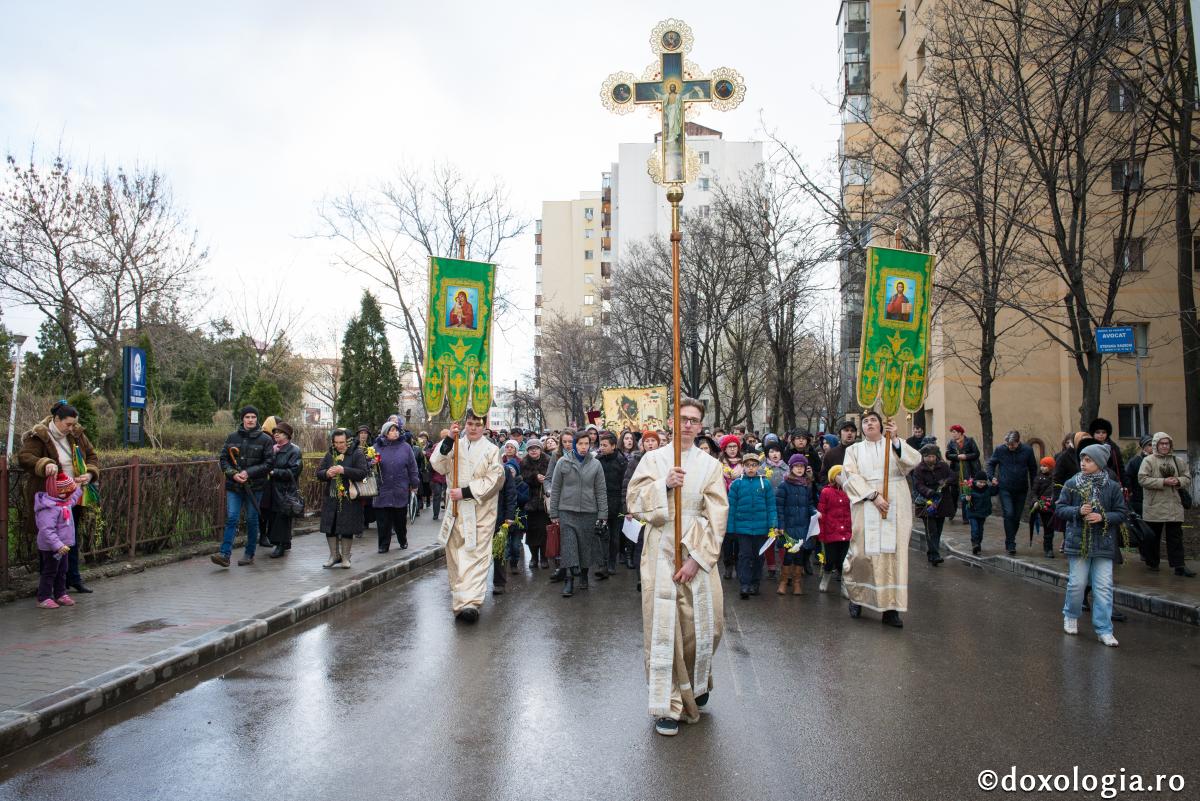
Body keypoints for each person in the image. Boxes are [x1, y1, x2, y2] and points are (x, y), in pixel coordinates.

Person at [627, 397, 729, 736]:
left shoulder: (710, 465)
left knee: (707, 624)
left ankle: (695, 684)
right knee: (664, 627)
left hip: (698, 548)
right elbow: (635, 503)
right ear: (672, 421)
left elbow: (718, 514)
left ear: (700, 426)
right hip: (660, 549)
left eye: (694, 420)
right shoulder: (653, 459)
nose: (687, 425)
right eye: (682, 418)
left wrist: (698, 559)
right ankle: (668, 703)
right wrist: (663, 485)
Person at [841, 410, 921, 628]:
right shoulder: (854, 450)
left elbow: (913, 461)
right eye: (865, 422)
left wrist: (895, 440)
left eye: (873, 420)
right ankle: (857, 597)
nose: (869, 424)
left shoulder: (893, 444)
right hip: (866, 502)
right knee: (863, 553)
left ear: (881, 424)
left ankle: (891, 608)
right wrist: (873, 495)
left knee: (893, 555)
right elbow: (849, 476)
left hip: (895, 503)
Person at [17, 400, 100, 594]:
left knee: (70, 538)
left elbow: (92, 456)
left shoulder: (76, 434)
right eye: (67, 424)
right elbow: (25, 457)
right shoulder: (39, 435)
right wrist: (45, 463)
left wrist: (89, 474)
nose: (71, 428)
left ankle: (73, 578)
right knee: (49, 541)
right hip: (49, 499)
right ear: (56, 419)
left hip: (73, 496)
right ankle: (49, 586)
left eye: (74, 424)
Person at [429, 414, 505, 622]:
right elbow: (438, 464)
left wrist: (467, 491)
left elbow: (496, 478)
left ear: (484, 427)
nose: (473, 429)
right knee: (455, 554)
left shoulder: (492, 450)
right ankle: (460, 598)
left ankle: (471, 603)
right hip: (456, 509)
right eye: (469, 424)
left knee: (476, 554)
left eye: (477, 425)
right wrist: (447, 441)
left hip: (480, 510)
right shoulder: (455, 443)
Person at [1057, 443, 1129, 646]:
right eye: (1082, 459)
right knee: (1077, 584)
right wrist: (1077, 512)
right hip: (1078, 542)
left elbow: (1122, 513)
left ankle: (1104, 629)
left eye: (1088, 460)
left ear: (1099, 463)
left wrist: (1103, 516)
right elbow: (1060, 508)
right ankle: (1071, 614)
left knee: (1104, 587)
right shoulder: (1072, 483)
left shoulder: (1112, 486)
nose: (1083, 463)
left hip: (1104, 544)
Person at [548, 429, 608, 597]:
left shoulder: (596, 464)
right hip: (567, 511)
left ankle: (583, 576)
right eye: (580, 444)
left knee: (585, 547)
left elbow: (601, 491)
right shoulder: (563, 462)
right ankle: (568, 580)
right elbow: (556, 488)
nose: (583, 447)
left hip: (589, 512)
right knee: (569, 546)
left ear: (590, 445)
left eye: (586, 444)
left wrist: (603, 515)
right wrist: (554, 513)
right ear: (574, 445)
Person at [213, 406, 273, 568]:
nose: (251, 420)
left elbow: (268, 463)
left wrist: (248, 473)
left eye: (253, 417)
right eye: (247, 417)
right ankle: (225, 554)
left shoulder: (265, 440)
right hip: (235, 486)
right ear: (242, 419)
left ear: (257, 419)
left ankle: (249, 553)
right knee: (232, 517)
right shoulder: (232, 437)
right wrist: (233, 474)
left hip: (255, 487)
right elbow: (223, 459)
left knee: (252, 519)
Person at [1138, 432, 1195, 577]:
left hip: (1174, 505)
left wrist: (1178, 481)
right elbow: (1143, 479)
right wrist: (1163, 482)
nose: (1164, 446)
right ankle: (1152, 563)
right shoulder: (1148, 461)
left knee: (1175, 537)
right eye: (1161, 443)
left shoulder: (1177, 461)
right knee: (1153, 537)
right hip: (1154, 505)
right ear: (1156, 445)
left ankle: (1179, 566)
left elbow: (1187, 477)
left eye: (1167, 443)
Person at [316, 428, 371, 569]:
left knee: (347, 527)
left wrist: (343, 470)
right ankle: (334, 556)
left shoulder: (357, 453)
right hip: (331, 496)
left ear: (348, 441)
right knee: (330, 526)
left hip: (350, 496)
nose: (339, 445)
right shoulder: (330, 454)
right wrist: (327, 473)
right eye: (336, 442)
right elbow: (319, 473)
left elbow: (363, 473)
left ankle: (346, 557)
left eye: (342, 442)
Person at [727, 450, 777, 599]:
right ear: (743, 466)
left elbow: (771, 506)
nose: (750, 468)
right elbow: (731, 507)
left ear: (758, 467)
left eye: (754, 465)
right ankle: (744, 584)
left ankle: (755, 583)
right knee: (744, 556)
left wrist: (773, 525)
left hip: (761, 529)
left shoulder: (765, 484)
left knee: (758, 556)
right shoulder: (737, 484)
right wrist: (730, 528)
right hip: (743, 529)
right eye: (748, 465)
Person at [34, 475, 83, 608]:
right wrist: (58, 545)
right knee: (50, 572)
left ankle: (60, 594)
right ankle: (43, 597)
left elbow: (73, 498)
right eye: (69, 493)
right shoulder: (49, 508)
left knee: (62, 570)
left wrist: (78, 486)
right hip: (51, 547)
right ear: (61, 493)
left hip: (63, 546)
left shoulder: (64, 502)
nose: (71, 496)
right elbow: (46, 530)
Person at [986, 430, 1038, 556]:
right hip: (1005, 487)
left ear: (1018, 442)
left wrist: (1035, 489)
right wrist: (991, 477)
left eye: (1012, 445)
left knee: (1016, 517)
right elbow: (991, 464)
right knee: (1009, 513)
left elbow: (1033, 470)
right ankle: (1011, 543)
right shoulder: (1000, 450)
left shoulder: (1027, 451)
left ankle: (1009, 539)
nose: (1010, 447)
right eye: (1008, 444)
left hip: (1021, 488)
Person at [374, 420, 420, 553]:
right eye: (391, 430)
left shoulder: (405, 447)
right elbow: (369, 465)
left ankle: (402, 540)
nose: (395, 433)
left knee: (400, 519)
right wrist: (371, 463)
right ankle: (383, 545)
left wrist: (414, 483)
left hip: (400, 488)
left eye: (396, 430)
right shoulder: (377, 447)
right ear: (385, 433)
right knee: (383, 520)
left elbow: (412, 467)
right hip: (382, 489)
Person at [775, 454, 815, 595]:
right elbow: (779, 507)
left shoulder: (807, 485)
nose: (799, 469)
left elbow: (809, 504)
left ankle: (797, 583)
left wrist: (815, 512)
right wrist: (780, 525)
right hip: (789, 526)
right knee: (789, 554)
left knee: (800, 554)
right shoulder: (784, 485)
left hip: (803, 525)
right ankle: (784, 581)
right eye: (797, 466)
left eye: (802, 466)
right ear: (791, 468)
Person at [623, 430, 661, 573]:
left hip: (658, 507)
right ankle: (641, 577)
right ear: (642, 444)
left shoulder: (664, 460)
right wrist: (628, 508)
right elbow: (627, 485)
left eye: (653, 441)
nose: (650, 444)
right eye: (647, 441)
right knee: (641, 542)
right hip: (640, 508)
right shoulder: (635, 461)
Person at [912, 444, 957, 566]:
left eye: (933, 456)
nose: (931, 459)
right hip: (927, 503)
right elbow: (918, 485)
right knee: (931, 530)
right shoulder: (918, 469)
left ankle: (932, 553)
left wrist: (946, 482)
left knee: (938, 529)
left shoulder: (943, 466)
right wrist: (929, 491)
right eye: (928, 457)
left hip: (942, 503)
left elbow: (953, 476)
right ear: (924, 457)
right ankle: (935, 554)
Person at [265, 422, 303, 558]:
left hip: (285, 490)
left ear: (287, 436)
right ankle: (284, 543)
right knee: (274, 517)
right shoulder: (273, 449)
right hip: (272, 489)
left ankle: (280, 545)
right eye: (275, 432)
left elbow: (294, 471)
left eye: (279, 433)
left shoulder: (294, 450)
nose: (276, 434)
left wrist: (274, 472)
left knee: (282, 518)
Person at [596, 431, 629, 577]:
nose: (601, 448)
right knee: (601, 533)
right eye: (600, 445)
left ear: (613, 446)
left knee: (615, 535)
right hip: (601, 501)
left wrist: (624, 505)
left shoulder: (622, 461)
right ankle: (601, 563)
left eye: (605, 445)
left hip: (617, 503)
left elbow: (626, 484)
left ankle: (611, 563)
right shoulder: (598, 460)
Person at [817, 466, 853, 592]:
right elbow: (822, 513)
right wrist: (821, 533)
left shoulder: (850, 491)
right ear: (833, 477)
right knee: (830, 558)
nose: (841, 477)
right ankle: (826, 576)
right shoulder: (826, 492)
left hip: (846, 531)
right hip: (831, 531)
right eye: (838, 474)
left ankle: (844, 585)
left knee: (844, 560)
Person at [491, 443, 520, 595]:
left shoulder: (505, 471)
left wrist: (509, 516)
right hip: (481, 517)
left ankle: (499, 582)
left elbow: (510, 494)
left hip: (500, 516)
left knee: (499, 550)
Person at [520, 439, 551, 569]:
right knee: (532, 531)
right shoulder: (524, 462)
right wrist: (535, 477)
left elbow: (554, 476)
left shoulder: (548, 460)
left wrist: (545, 479)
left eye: (536, 448)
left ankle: (544, 558)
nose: (534, 450)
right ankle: (534, 557)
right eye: (531, 448)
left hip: (545, 501)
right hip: (530, 501)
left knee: (544, 531)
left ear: (540, 449)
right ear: (527, 450)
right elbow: (522, 478)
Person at [718, 434, 744, 579]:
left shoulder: (744, 464)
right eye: (730, 447)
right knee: (727, 537)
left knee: (739, 536)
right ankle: (728, 565)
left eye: (735, 446)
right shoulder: (719, 464)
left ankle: (739, 565)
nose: (733, 450)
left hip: (740, 504)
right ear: (724, 448)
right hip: (725, 503)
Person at [945, 425, 981, 521]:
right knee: (954, 493)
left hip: (968, 470)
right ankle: (952, 512)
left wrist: (966, 456)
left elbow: (976, 453)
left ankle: (966, 516)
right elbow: (947, 455)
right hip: (955, 471)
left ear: (960, 433)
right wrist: (957, 457)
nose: (953, 434)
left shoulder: (970, 441)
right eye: (952, 432)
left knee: (966, 491)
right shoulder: (951, 443)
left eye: (954, 432)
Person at [1029, 456, 1058, 558]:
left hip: (1053, 506)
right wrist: (1036, 501)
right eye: (1041, 466)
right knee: (1047, 527)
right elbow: (1034, 492)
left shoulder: (1056, 478)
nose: (1042, 468)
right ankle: (1048, 549)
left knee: (1050, 528)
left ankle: (1049, 548)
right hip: (1043, 507)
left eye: (1045, 466)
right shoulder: (1038, 478)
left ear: (1051, 467)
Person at [964, 471, 997, 554]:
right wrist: (966, 498)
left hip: (983, 513)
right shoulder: (970, 488)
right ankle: (975, 544)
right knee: (975, 529)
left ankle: (978, 543)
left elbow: (994, 492)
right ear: (975, 481)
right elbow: (963, 497)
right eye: (980, 482)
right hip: (973, 512)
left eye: (984, 482)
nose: (982, 484)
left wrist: (995, 485)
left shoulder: (988, 489)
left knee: (980, 530)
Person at [1088, 418, 1125, 486]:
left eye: (1103, 432)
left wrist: (1125, 484)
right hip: (1092, 481)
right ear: (1093, 433)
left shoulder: (1113, 448)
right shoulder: (1088, 447)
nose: (1101, 434)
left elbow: (1120, 467)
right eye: (1098, 432)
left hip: (1112, 480)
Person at [1124, 436, 1154, 517]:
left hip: (1156, 501)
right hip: (1139, 501)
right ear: (1143, 447)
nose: (1153, 447)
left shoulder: (1161, 461)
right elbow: (1126, 477)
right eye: (1150, 445)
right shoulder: (1135, 461)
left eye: (1155, 444)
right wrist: (1131, 491)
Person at [428, 429, 448, 520]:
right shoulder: (437, 446)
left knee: (438, 495)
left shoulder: (436, 446)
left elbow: (431, 457)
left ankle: (436, 514)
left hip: (438, 475)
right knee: (445, 495)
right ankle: (445, 514)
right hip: (443, 474)